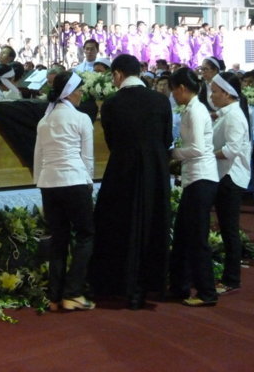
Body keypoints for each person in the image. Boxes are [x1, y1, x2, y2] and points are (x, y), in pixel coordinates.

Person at [89, 54, 172, 310]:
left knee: (119, 224)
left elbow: (111, 141)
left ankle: (118, 285)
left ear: (117, 74)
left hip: (122, 170)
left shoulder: (111, 103)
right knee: (151, 224)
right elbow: (166, 138)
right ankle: (148, 287)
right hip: (155, 172)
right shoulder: (160, 100)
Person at [34, 71, 95, 312]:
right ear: (69, 92)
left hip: (49, 184)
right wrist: (88, 183)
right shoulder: (81, 118)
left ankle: (54, 296)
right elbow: (87, 158)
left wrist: (39, 181)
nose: (81, 94)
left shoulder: (44, 121)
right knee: (85, 236)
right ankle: (73, 293)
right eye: (79, 90)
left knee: (58, 239)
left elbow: (38, 157)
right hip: (75, 181)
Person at [169, 68, 219, 307]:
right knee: (183, 235)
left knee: (197, 238)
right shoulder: (191, 109)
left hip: (202, 177)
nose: (173, 95)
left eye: (173, 90)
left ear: (181, 88)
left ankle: (207, 291)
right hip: (195, 177)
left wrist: (173, 153)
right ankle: (180, 285)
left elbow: (197, 148)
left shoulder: (196, 111)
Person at [210, 71, 251, 294]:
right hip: (223, 175)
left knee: (229, 230)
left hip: (230, 177)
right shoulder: (227, 113)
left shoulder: (234, 115)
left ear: (227, 93)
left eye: (215, 92)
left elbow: (232, 150)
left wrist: (206, 154)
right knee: (227, 228)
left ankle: (231, 278)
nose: (211, 96)